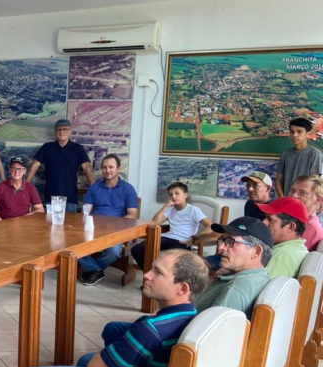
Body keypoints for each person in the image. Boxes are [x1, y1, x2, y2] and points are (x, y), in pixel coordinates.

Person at [0, 249, 209, 367]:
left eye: (158, 273)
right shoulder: (191, 315)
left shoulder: (151, 330)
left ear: (183, 288)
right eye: (151, 268)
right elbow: (110, 352)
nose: (147, 275)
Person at [77, 154, 139, 286]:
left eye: (111, 167)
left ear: (119, 169)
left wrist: (113, 225)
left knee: (114, 252)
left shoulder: (128, 189)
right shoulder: (95, 188)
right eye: (104, 167)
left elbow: (132, 214)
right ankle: (96, 270)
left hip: (117, 230)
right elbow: (86, 210)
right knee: (73, 245)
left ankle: (93, 270)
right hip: (94, 228)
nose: (107, 170)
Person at [194, 217, 272, 319]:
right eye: (222, 240)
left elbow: (210, 333)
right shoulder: (259, 277)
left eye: (230, 242)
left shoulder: (235, 290)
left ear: (256, 252)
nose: (221, 247)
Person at [131, 181, 211, 269]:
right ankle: (151, 275)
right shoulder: (170, 209)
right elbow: (155, 222)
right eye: (171, 194)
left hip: (182, 241)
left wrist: (194, 239)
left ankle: (160, 278)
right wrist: (166, 206)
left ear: (185, 195)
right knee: (136, 250)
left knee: (169, 260)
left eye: (177, 193)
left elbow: (210, 226)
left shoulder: (193, 210)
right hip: (167, 237)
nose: (173, 196)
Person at [27, 119, 94, 213]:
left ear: (70, 131)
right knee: (49, 226)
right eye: (59, 129)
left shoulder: (78, 149)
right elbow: (34, 166)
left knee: (70, 226)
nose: (62, 132)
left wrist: (94, 189)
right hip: (51, 198)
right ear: (55, 132)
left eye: (65, 129)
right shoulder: (47, 148)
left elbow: (87, 168)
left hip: (70, 197)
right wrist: (26, 186)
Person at [257, 197, 308, 279]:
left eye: (270, 219)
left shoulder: (282, 255)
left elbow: (259, 289)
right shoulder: (298, 249)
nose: (264, 222)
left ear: (290, 227)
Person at [0, 156, 44, 222]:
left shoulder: (30, 188)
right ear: (10, 169)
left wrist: (28, 217)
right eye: (14, 168)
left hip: (24, 224)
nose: (17, 171)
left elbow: (40, 209)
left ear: (24, 171)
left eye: (20, 169)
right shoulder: (1, 187)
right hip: (4, 224)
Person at [276, 117, 323, 197]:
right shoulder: (285, 154)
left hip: (304, 201)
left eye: (299, 132)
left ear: (308, 134)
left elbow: (314, 181)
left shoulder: (315, 154)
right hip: (287, 200)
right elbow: (279, 179)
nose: (295, 135)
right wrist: (281, 197)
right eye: (292, 132)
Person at [288, 175, 323, 251]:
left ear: (318, 199)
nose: (294, 195)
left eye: (302, 193)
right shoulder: (298, 220)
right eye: (293, 191)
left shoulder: (310, 228)